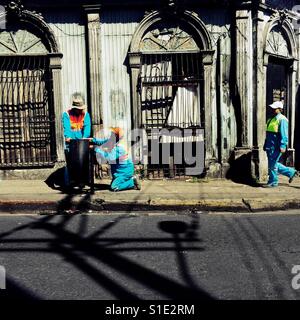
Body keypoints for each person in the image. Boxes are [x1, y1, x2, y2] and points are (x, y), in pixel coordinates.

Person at [92, 127, 141, 192]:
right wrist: (92, 140)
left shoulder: (120, 147)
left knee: (114, 187)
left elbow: (109, 157)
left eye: (113, 134)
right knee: (113, 184)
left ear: (116, 136)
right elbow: (103, 142)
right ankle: (128, 180)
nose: (111, 135)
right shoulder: (113, 141)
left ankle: (132, 183)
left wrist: (96, 149)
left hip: (124, 172)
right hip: (119, 171)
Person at [263, 100, 298, 188]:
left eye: (275, 108)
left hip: (276, 146)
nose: (272, 109)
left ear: (280, 109)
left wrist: (283, 145)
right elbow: (268, 133)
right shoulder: (271, 119)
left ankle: (273, 182)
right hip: (270, 145)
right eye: (272, 108)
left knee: (272, 164)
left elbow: (284, 134)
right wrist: (265, 144)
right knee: (273, 163)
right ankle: (291, 172)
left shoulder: (282, 119)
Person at [62, 93, 91, 187]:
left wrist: (84, 139)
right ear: (74, 108)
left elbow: (87, 129)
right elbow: (67, 128)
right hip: (71, 143)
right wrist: (68, 137)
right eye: (78, 109)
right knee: (70, 163)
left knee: (83, 163)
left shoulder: (85, 115)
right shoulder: (66, 114)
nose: (80, 110)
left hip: (82, 143)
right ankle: (70, 182)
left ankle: (83, 181)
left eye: (81, 109)